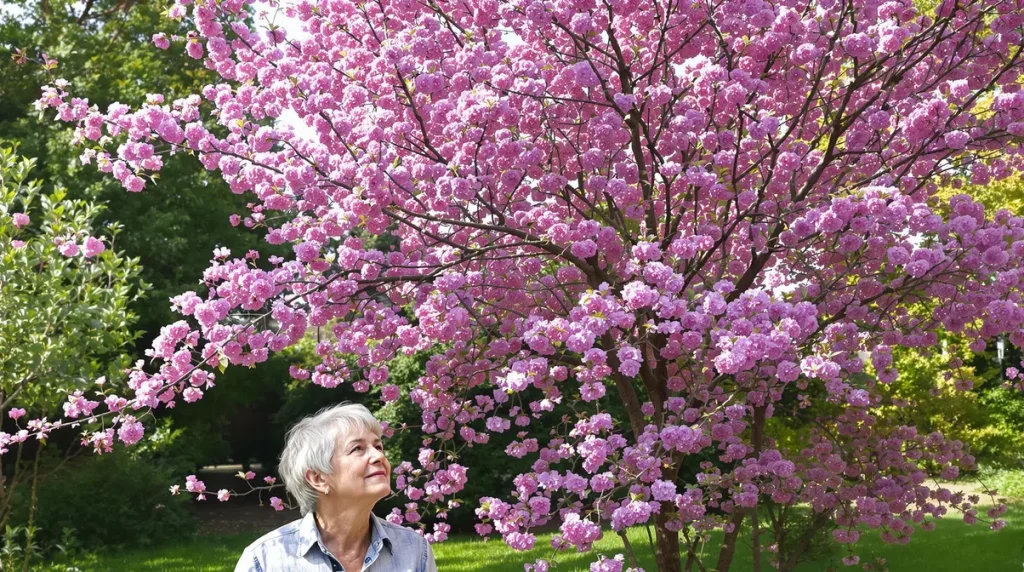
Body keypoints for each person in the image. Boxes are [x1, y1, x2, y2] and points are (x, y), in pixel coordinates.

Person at [235, 403, 437, 572]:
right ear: (318, 478)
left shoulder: (415, 551)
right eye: (357, 448)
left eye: (378, 446)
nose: (379, 456)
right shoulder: (265, 561)